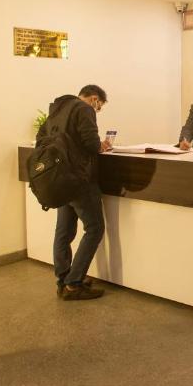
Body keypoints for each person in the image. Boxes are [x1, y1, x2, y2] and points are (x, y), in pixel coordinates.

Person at [37, 84, 113, 300]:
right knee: (95, 228)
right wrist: (101, 145)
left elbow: (40, 139)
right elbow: (90, 143)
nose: (96, 111)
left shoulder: (57, 109)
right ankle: (74, 283)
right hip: (80, 179)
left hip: (60, 180)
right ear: (95, 99)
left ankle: (63, 279)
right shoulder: (84, 108)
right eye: (99, 107)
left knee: (64, 231)